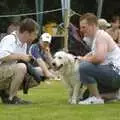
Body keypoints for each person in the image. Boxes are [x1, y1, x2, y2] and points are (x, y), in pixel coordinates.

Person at [78, 13, 120, 104]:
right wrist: (84, 58)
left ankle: (96, 98)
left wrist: (83, 60)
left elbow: (99, 58)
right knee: (85, 96)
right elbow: (93, 55)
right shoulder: (97, 37)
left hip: (115, 73)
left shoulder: (101, 36)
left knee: (83, 67)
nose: (81, 30)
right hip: (114, 74)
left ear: (92, 26)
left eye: (83, 27)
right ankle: (114, 95)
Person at [0, 18, 43, 104]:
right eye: (34, 34)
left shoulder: (24, 44)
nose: (35, 38)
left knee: (39, 71)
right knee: (21, 67)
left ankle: (5, 92)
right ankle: (11, 98)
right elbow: (2, 56)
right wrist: (22, 56)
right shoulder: (10, 39)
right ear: (26, 33)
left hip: (7, 72)